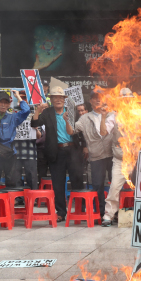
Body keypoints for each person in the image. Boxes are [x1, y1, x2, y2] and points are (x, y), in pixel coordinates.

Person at [31, 86, 84, 222]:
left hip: (73, 149)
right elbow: (34, 123)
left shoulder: (71, 111)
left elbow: (81, 129)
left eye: (61, 97)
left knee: (77, 179)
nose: (58, 100)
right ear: (51, 99)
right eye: (55, 97)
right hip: (56, 151)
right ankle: (61, 212)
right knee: (58, 184)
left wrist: (85, 147)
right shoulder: (48, 113)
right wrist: (38, 109)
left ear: (64, 100)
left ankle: (80, 210)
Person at [74, 89, 115, 218]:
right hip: (96, 156)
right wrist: (66, 119)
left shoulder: (113, 114)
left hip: (113, 154)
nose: (98, 100)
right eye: (95, 97)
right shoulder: (85, 118)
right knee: (98, 185)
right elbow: (72, 130)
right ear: (90, 101)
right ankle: (101, 212)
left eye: (101, 97)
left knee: (115, 184)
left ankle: (115, 212)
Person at [101, 87, 131, 227]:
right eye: (123, 99)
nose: (125, 101)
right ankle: (108, 215)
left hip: (137, 161)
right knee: (114, 188)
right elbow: (104, 131)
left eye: (128, 99)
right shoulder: (113, 116)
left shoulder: (139, 115)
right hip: (119, 161)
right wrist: (102, 117)